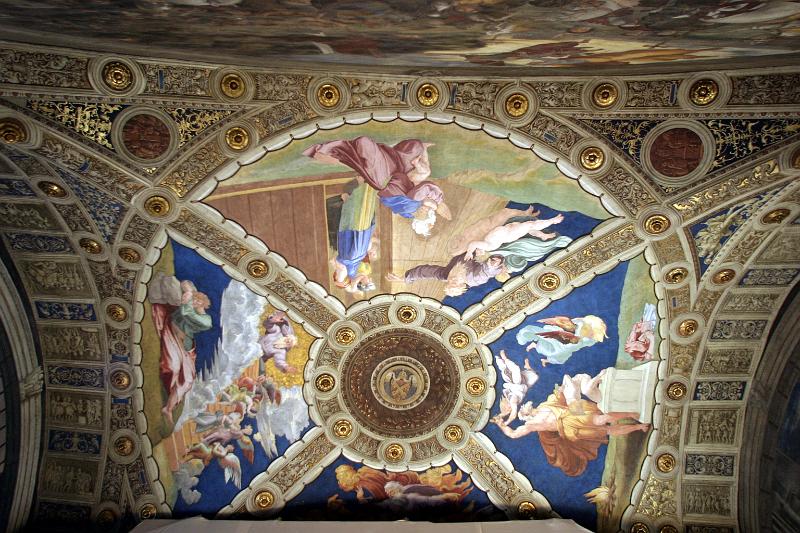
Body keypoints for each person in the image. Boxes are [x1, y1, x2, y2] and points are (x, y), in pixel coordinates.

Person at [304, 136, 451, 235]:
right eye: (426, 212)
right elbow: (418, 192)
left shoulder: (410, 208)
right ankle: (420, 148)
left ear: (417, 218)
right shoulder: (411, 208)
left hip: (384, 178)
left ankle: (326, 153)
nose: (423, 211)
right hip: (395, 176)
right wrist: (434, 203)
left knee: (363, 144)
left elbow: (423, 189)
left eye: (422, 215)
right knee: (414, 149)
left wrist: (436, 203)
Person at [493, 389, 648, 476]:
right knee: (604, 428)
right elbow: (513, 434)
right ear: (525, 415)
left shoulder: (543, 406)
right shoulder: (531, 424)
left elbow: (558, 395)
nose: (525, 406)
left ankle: (631, 414)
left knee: (602, 418)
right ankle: (638, 427)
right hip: (570, 428)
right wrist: (501, 425)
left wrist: (564, 389)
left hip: (572, 412)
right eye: (523, 409)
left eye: (524, 406)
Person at [151, 276, 212, 426]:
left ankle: (168, 408)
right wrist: (188, 291)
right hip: (171, 332)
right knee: (173, 366)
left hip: (185, 345)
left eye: (199, 301)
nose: (196, 302)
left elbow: (187, 314)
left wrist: (188, 298)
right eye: (195, 299)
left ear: (204, 304)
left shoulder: (206, 320)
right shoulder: (188, 302)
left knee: (188, 380)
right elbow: (186, 284)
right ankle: (168, 404)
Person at [386, 253, 507, 297]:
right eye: (455, 283)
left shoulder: (445, 275)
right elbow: (486, 272)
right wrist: (492, 264)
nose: (452, 279)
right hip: (487, 254)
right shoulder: (475, 279)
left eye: (450, 283)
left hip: (470, 248)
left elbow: (423, 272)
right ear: (462, 285)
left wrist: (405, 278)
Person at [516, 315, 607, 367]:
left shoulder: (589, 339)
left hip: (563, 349)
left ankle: (542, 354)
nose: (590, 333)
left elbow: (590, 340)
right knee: (547, 344)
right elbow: (574, 324)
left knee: (557, 358)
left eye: (592, 332)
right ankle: (528, 339)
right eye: (589, 329)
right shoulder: (579, 326)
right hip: (559, 341)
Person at [463, 213, 565, 259]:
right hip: (510, 234)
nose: (478, 252)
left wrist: (469, 252)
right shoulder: (487, 247)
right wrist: (469, 252)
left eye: (477, 252)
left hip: (509, 230)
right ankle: (553, 221)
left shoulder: (485, 243)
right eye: (479, 254)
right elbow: (473, 244)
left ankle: (543, 236)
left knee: (530, 228)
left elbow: (474, 244)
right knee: (530, 225)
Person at [493, 349, 538, 425]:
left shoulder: (510, 400)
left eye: (508, 409)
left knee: (515, 369)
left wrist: (502, 418)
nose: (511, 408)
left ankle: (504, 358)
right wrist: (506, 422)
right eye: (510, 410)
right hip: (523, 385)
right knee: (534, 376)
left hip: (515, 383)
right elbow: (513, 414)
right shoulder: (512, 402)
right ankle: (527, 367)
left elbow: (511, 413)